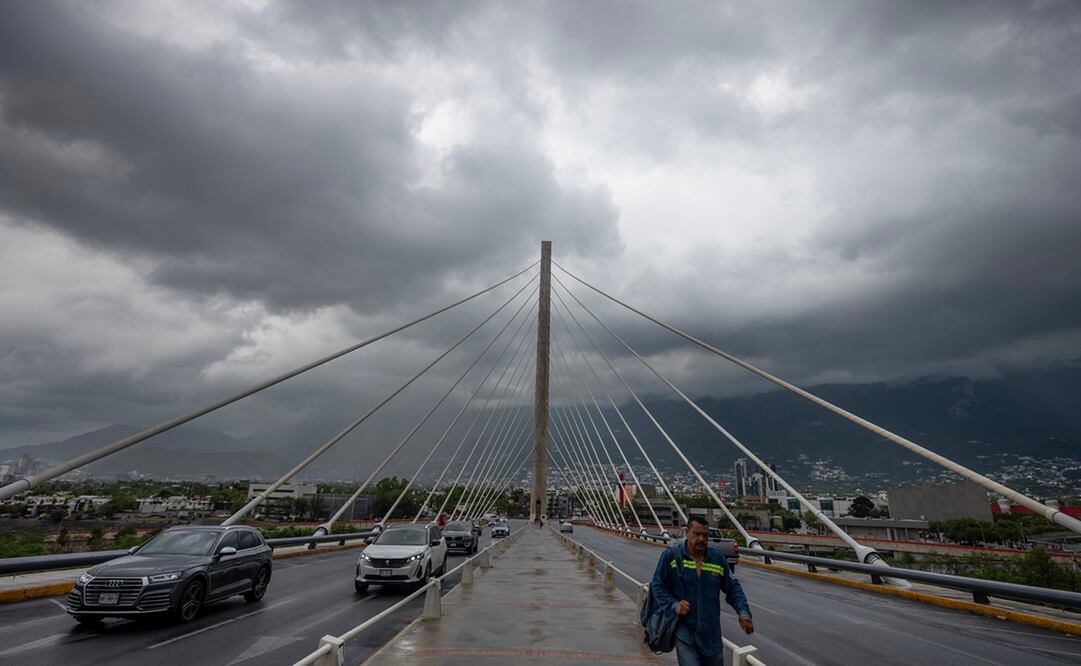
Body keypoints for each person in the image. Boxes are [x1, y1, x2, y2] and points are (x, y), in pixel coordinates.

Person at [650, 515, 753, 665]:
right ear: (687, 532)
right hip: (685, 633)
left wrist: (743, 613)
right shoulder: (671, 556)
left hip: (711, 636)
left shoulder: (717, 559)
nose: (701, 539)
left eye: (705, 535)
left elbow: (733, 588)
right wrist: (674, 605)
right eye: (696, 534)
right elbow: (657, 586)